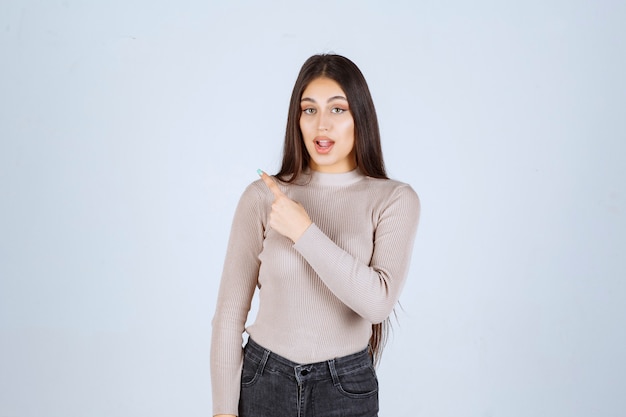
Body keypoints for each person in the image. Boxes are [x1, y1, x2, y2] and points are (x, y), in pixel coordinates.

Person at [211, 53, 420, 417]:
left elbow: (376, 304)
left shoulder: (393, 199)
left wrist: (303, 231)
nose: (322, 124)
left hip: (344, 387)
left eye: (337, 110)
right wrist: (223, 412)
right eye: (309, 110)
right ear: (297, 120)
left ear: (360, 117)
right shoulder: (263, 196)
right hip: (263, 380)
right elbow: (229, 316)